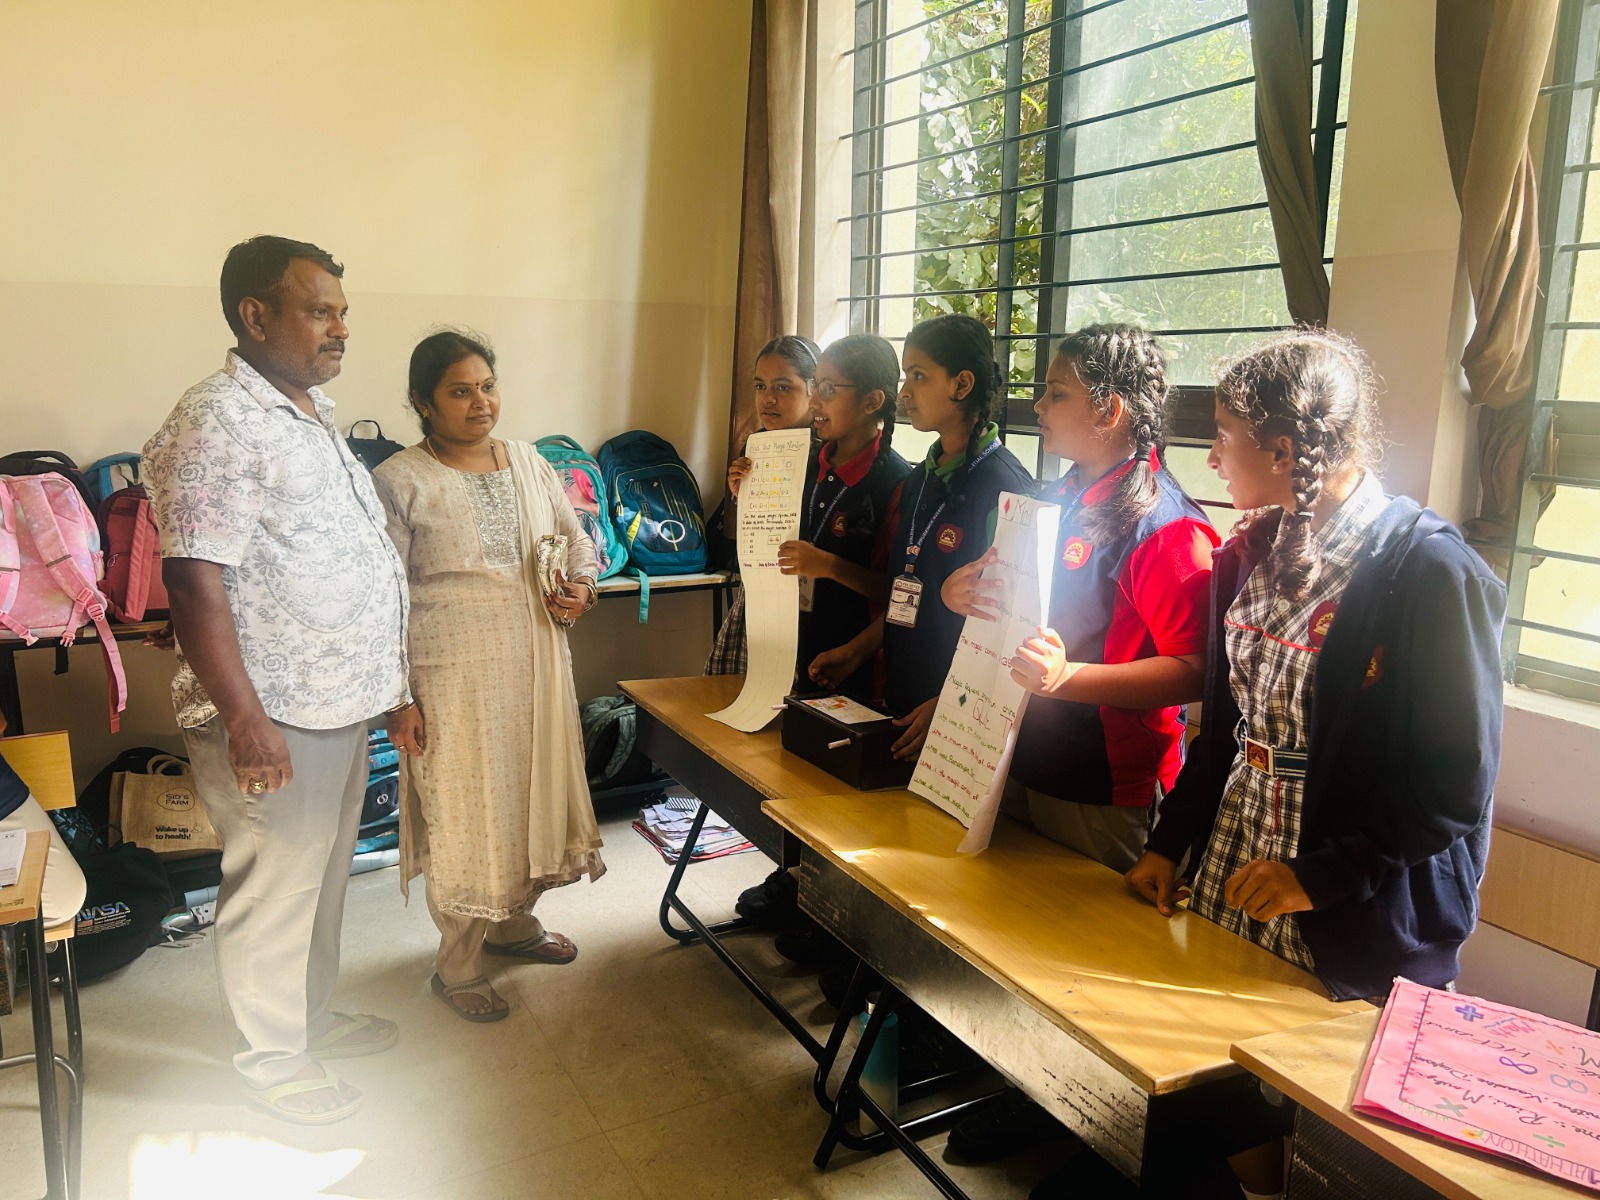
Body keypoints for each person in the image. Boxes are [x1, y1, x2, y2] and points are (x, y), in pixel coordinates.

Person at [1124, 330, 1506, 1200]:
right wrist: (1169, 842)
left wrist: (1318, 876)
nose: (1211, 456)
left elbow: (1454, 784)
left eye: (1225, 436)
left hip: (1356, 901)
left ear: (1285, 451)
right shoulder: (1248, 552)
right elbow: (1227, 724)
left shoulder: (1427, 570)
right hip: (1240, 863)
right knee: (1223, 1086)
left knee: (1326, 1138)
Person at [936, 324, 1219, 1161]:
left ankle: (1076, 1126)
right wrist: (960, 592)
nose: (1038, 404)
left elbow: (1197, 673)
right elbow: (1008, 599)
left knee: (1080, 970)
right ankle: (1015, 1087)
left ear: (1109, 410)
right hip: (1016, 752)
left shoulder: (1168, 527)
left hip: (1103, 783)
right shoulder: (1053, 496)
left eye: (1055, 393)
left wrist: (1072, 679)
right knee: (1011, 941)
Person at [144, 235, 409, 1124]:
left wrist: (391, 692)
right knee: (275, 888)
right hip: (273, 711)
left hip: (335, 702)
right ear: (255, 317)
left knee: (322, 881)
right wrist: (245, 719)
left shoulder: (309, 411)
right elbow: (194, 578)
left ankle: (308, 1020)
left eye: (343, 311)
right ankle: (272, 1061)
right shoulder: (217, 417)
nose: (342, 328)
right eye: (319, 311)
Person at [376, 331, 605, 1024]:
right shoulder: (400, 480)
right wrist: (397, 699)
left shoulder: (530, 461)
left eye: (487, 386)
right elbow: (383, 598)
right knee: (465, 812)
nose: (480, 402)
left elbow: (577, 539)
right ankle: (458, 965)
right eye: (459, 391)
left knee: (528, 800)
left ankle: (513, 927)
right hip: (451, 682)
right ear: (422, 402)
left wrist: (582, 589)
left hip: (535, 670)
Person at [736, 334, 911, 926]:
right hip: (798, 638)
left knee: (839, 789)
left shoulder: (896, 483)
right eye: (817, 388)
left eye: (828, 389)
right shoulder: (805, 460)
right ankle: (794, 880)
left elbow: (899, 592)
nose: (815, 402)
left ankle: (830, 911)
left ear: (873, 402)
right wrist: (749, 493)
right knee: (796, 770)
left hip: (857, 655)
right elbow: (772, 536)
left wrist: (829, 565)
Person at [811, 313, 1033, 762]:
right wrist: (856, 652)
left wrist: (953, 705)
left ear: (962, 384)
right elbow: (909, 593)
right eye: (904, 377)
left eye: (918, 376)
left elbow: (1011, 632)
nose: (904, 394)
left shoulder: (1006, 489)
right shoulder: (919, 479)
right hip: (903, 700)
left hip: (961, 720)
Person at [705, 335, 821, 675]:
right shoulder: (757, 445)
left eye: (783, 387)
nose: (767, 399)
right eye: (760, 386)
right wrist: (742, 493)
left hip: (808, 600)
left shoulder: (828, 453)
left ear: (814, 390)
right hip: (759, 591)